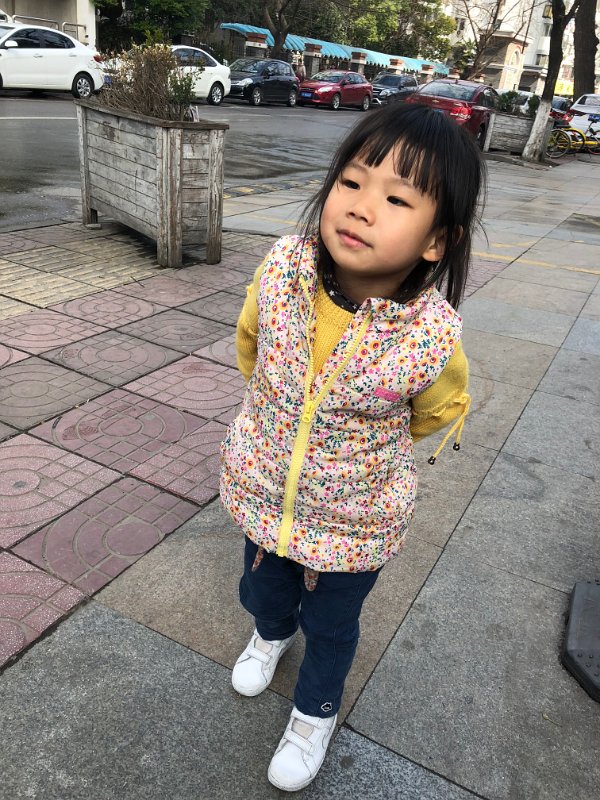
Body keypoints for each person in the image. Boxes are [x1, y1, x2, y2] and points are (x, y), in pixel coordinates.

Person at [220, 103, 484, 792]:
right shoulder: (283, 274)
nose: (363, 207)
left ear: (437, 240)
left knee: (333, 625)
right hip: (265, 491)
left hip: (354, 520)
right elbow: (252, 347)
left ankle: (315, 713)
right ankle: (270, 634)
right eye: (352, 182)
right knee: (261, 588)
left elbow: (436, 410)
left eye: (397, 199)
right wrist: (278, 420)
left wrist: (357, 447)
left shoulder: (427, 337)